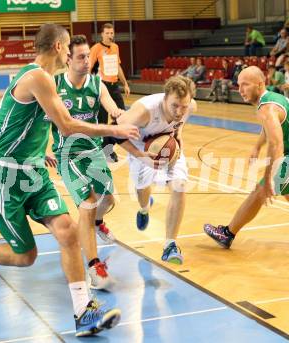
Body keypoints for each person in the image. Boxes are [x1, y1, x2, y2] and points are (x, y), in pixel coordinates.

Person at [0, 24, 139, 336]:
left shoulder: (40, 79)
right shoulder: (37, 77)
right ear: (60, 46)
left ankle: (83, 311)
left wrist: (36, 151)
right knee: (26, 256)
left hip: (33, 172)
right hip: (5, 177)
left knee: (68, 232)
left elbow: (21, 120)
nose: (72, 51)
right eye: (70, 45)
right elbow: (68, 125)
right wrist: (114, 131)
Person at [204, 66, 289, 250]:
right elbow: (270, 128)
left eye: (245, 85)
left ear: (260, 84)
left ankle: (227, 234)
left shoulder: (267, 108)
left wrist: (268, 179)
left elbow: (276, 145)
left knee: (260, 190)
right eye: (239, 85)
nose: (240, 89)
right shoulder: (270, 99)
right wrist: (257, 146)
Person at [49, 35, 122, 290]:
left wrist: (120, 114)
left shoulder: (96, 84)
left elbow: (112, 108)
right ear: (67, 58)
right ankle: (94, 266)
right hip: (66, 154)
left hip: (94, 152)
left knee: (108, 200)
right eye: (80, 57)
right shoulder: (55, 85)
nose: (85, 61)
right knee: (88, 204)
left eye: (88, 57)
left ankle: (98, 224)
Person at [116, 75, 197, 265]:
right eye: (174, 105)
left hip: (169, 146)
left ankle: (170, 245)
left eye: (183, 106)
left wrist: (179, 131)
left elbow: (183, 117)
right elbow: (114, 133)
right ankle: (144, 208)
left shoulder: (190, 106)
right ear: (165, 98)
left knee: (179, 186)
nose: (179, 111)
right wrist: (140, 155)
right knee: (142, 189)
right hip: (141, 149)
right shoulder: (145, 111)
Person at [90, 23, 130, 163]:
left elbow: (118, 66)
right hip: (102, 87)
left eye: (112, 33)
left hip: (114, 87)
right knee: (102, 121)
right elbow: (89, 69)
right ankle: (104, 151)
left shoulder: (115, 47)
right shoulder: (96, 49)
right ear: (102, 34)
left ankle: (107, 147)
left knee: (122, 118)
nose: (110, 35)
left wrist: (125, 83)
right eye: (107, 33)